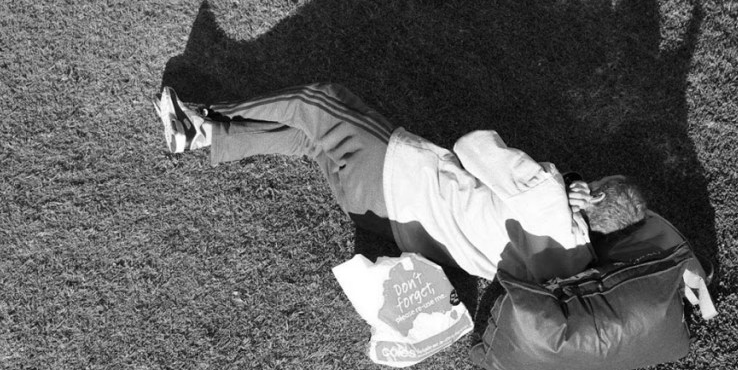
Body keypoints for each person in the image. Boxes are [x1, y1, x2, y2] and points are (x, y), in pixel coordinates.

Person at [153, 83, 677, 284]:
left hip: (391, 173)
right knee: (312, 142)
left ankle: (199, 117)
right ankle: (206, 141)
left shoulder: (543, 194)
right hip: (382, 221)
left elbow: (473, 145)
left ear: (598, 197)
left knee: (317, 102)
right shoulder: (573, 265)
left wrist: (559, 180)